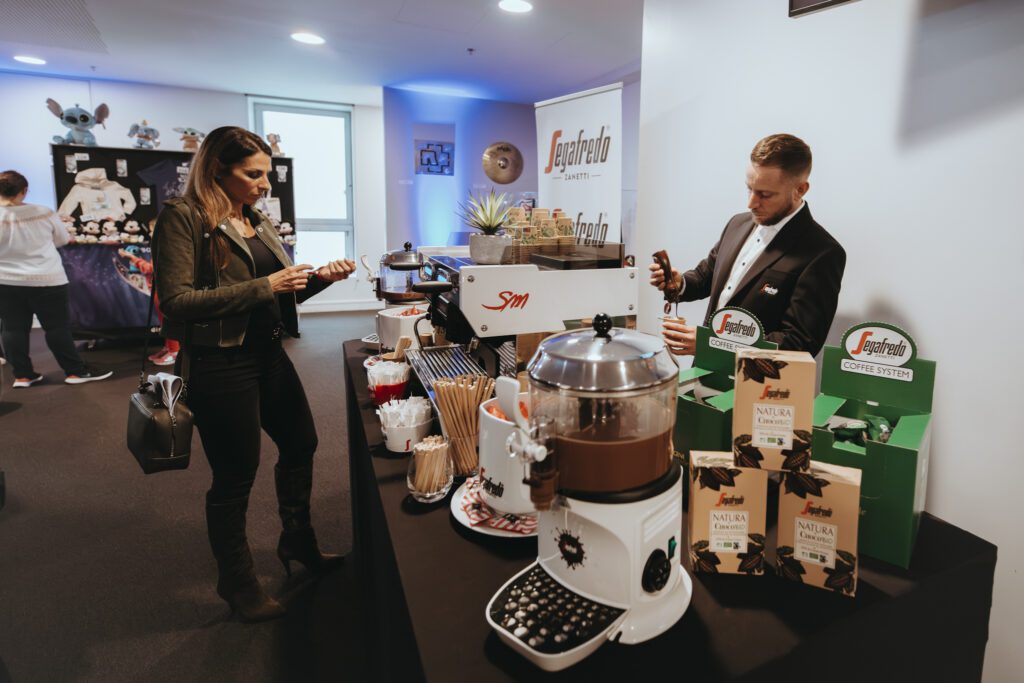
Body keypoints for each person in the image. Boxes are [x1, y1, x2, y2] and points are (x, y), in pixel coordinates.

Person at [152, 127, 356, 622]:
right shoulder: (184, 216)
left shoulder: (255, 219)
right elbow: (176, 301)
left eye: (267, 173)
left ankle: (298, 541)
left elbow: (279, 294)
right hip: (220, 365)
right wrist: (267, 285)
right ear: (216, 169)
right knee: (235, 476)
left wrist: (319, 280)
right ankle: (237, 581)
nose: (265, 184)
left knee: (302, 444)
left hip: (268, 356)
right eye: (253, 174)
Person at [649, 134, 845, 357]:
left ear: (800, 190)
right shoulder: (737, 223)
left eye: (765, 195)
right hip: (703, 371)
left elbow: (799, 343)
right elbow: (706, 277)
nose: (751, 203)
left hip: (757, 379)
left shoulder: (823, 253)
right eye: (749, 189)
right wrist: (679, 283)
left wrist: (713, 344)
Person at [0, 170, 113, 387]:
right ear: (24, 191)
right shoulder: (43, 212)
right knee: (56, 328)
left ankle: (23, 376)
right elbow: (61, 239)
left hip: (5, 281)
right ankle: (75, 372)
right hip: (46, 279)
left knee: (12, 329)